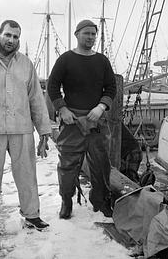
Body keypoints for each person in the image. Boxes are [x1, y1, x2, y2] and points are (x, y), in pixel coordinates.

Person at [0, 20, 52, 237]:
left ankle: (32, 215)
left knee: (27, 174)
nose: (11, 40)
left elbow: (36, 98)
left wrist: (44, 130)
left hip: (21, 128)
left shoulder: (25, 64)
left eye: (15, 37)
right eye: (8, 35)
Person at [47, 19, 117, 219]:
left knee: (102, 164)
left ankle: (100, 202)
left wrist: (101, 106)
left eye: (94, 34)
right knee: (68, 165)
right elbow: (52, 87)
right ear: (77, 34)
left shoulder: (102, 61)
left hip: (97, 121)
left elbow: (111, 87)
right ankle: (66, 201)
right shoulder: (66, 59)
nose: (90, 37)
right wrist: (62, 109)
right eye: (86, 33)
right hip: (72, 122)